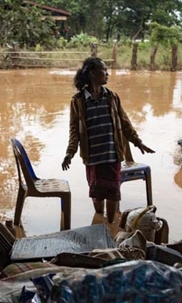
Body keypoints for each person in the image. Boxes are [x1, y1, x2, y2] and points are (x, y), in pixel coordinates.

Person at [62, 57, 154, 224]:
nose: (107, 74)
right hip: (93, 157)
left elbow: (125, 123)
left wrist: (137, 142)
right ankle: (99, 223)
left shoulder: (112, 97)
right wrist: (70, 153)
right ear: (92, 74)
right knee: (97, 197)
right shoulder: (78, 101)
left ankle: (110, 227)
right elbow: (74, 130)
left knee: (113, 193)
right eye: (104, 70)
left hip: (112, 155)